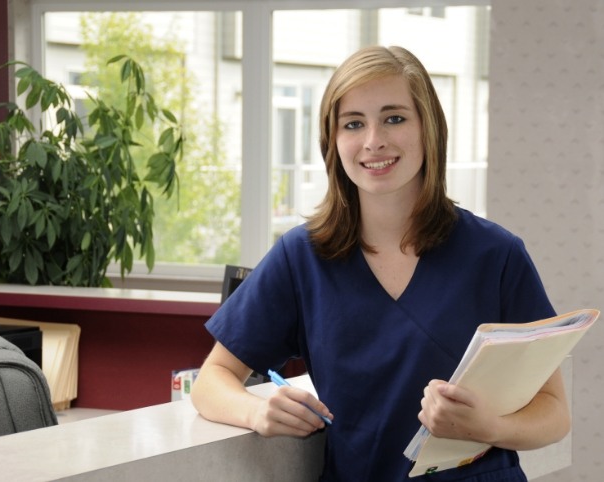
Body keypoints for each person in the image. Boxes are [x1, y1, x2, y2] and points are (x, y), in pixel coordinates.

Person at [191, 45, 570, 481]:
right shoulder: (303, 257)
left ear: (428, 128)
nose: (374, 141)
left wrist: (492, 427)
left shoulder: (496, 255)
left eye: (394, 118)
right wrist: (257, 412)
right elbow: (212, 379)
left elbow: (555, 412)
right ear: (333, 142)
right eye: (353, 123)